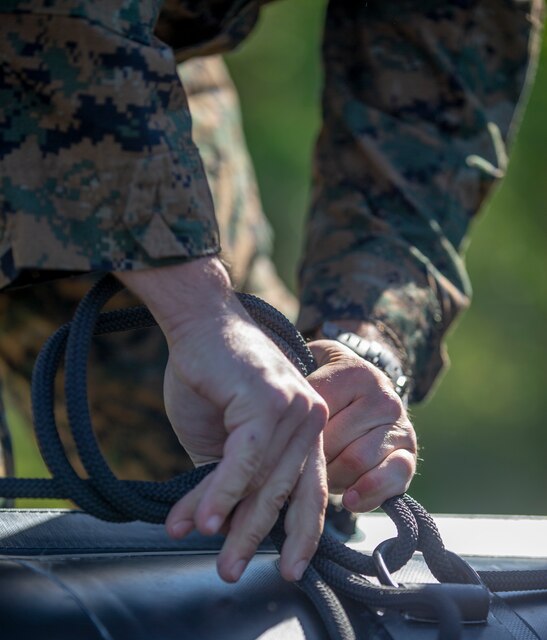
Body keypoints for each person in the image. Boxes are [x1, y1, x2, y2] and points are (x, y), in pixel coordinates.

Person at [0, 1, 542, 582]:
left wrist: (356, 341)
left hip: (146, 97)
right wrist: (198, 311)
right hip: (62, 45)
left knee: (272, 471)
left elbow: (437, 72)